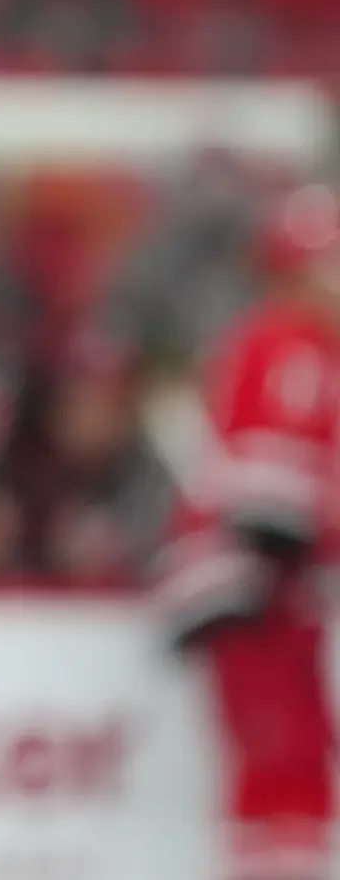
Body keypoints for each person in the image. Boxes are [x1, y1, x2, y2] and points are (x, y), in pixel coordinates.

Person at [158, 183, 340, 880]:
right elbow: (270, 510)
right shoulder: (293, 345)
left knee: (290, 764)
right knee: (282, 762)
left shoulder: (285, 341)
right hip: (253, 588)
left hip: (264, 588)